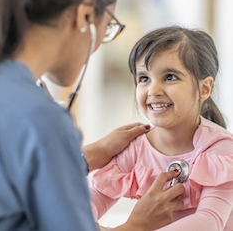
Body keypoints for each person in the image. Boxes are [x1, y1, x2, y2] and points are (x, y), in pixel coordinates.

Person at [0, 0, 185, 231]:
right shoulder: (41, 118)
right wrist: (137, 226)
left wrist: (84, 157)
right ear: (86, 15)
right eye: (108, 26)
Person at [89, 26, 233, 230]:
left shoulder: (220, 148)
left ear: (204, 88)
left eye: (170, 77)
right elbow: (83, 206)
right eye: (144, 78)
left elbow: (209, 222)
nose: (153, 90)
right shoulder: (135, 148)